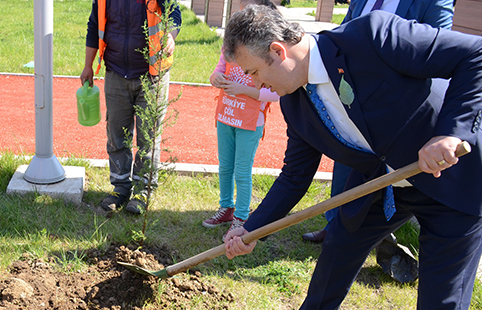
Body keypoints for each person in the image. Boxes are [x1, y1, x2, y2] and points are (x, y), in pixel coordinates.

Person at [223, 5, 482, 309]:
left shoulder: (372, 36)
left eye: (253, 72)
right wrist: (253, 228)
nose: (253, 84)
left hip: (452, 180)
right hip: (379, 185)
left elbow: (473, 55)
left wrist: (449, 134)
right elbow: (295, 176)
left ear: (278, 52)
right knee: (334, 259)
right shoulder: (293, 104)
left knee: (441, 300)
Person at [302, 0, 455, 245]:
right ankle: (336, 226)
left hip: (396, 109)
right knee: (345, 163)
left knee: (392, 179)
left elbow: (439, 50)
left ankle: (381, 235)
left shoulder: (434, 1)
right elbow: (338, 36)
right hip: (351, 97)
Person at [80, 0, 181, 214]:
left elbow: (174, 14)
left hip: (152, 75)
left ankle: (142, 191)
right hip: (116, 72)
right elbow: (93, 26)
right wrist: (88, 65)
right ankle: (120, 187)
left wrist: (170, 36)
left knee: (148, 137)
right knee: (117, 134)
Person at [203, 0, 280, 240]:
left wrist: (243, 90)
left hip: (250, 122)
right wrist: (215, 78)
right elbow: (217, 69)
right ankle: (226, 208)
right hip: (226, 115)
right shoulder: (231, 46)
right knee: (225, 166)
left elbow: (275, 93)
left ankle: (241, 217)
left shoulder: (266, 52)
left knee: (242, 171)